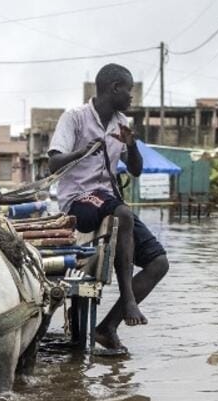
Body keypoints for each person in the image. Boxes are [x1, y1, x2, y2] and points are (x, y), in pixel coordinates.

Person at [47, 63, 169, 354]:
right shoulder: (74, 118)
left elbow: (136, 170)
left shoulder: (122, 123)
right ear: (115, 88)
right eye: (130, 91)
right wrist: (83, 150)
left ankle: (107, 328)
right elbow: (53, 163)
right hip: (78, 200)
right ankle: (129, 299)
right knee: (123, 213)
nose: (132, 98)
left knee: (159, 263)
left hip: (109, 200)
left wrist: (133, 144)